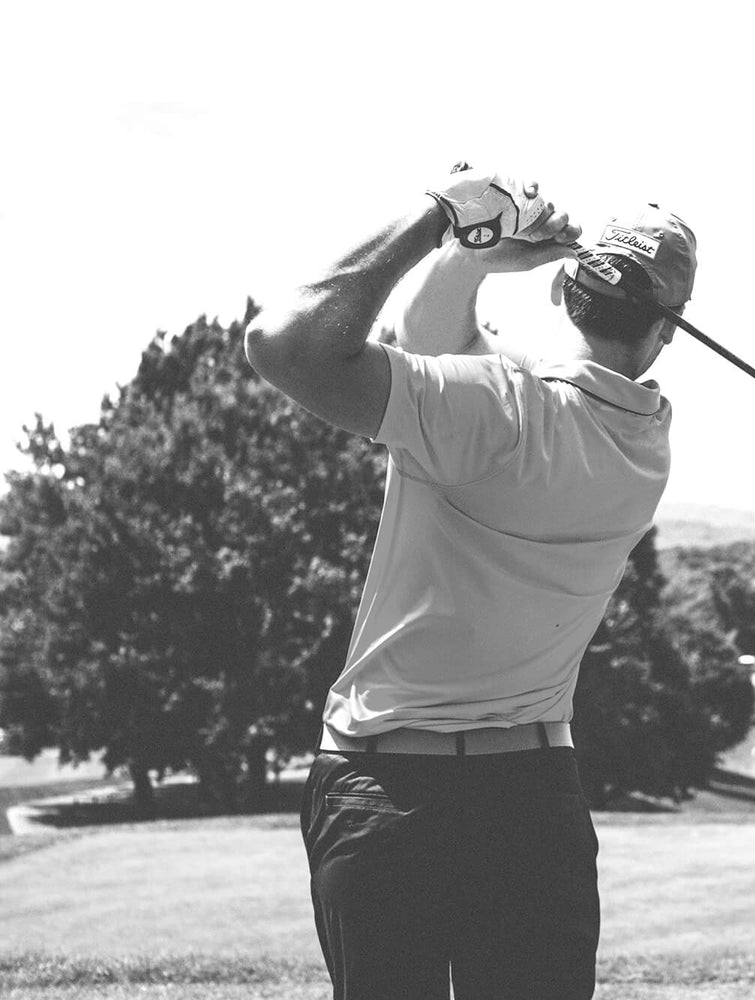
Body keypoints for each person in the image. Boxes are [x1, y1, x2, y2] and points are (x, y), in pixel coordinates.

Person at [245, 165, 697, 1000]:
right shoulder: (644, 447)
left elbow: (285, 343)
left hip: (385, 792)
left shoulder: (488, 409)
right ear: (667, 332)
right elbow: (441, 346)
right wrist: (467, 261)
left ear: (561, 287)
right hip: (534, 802)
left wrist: (442, 219)